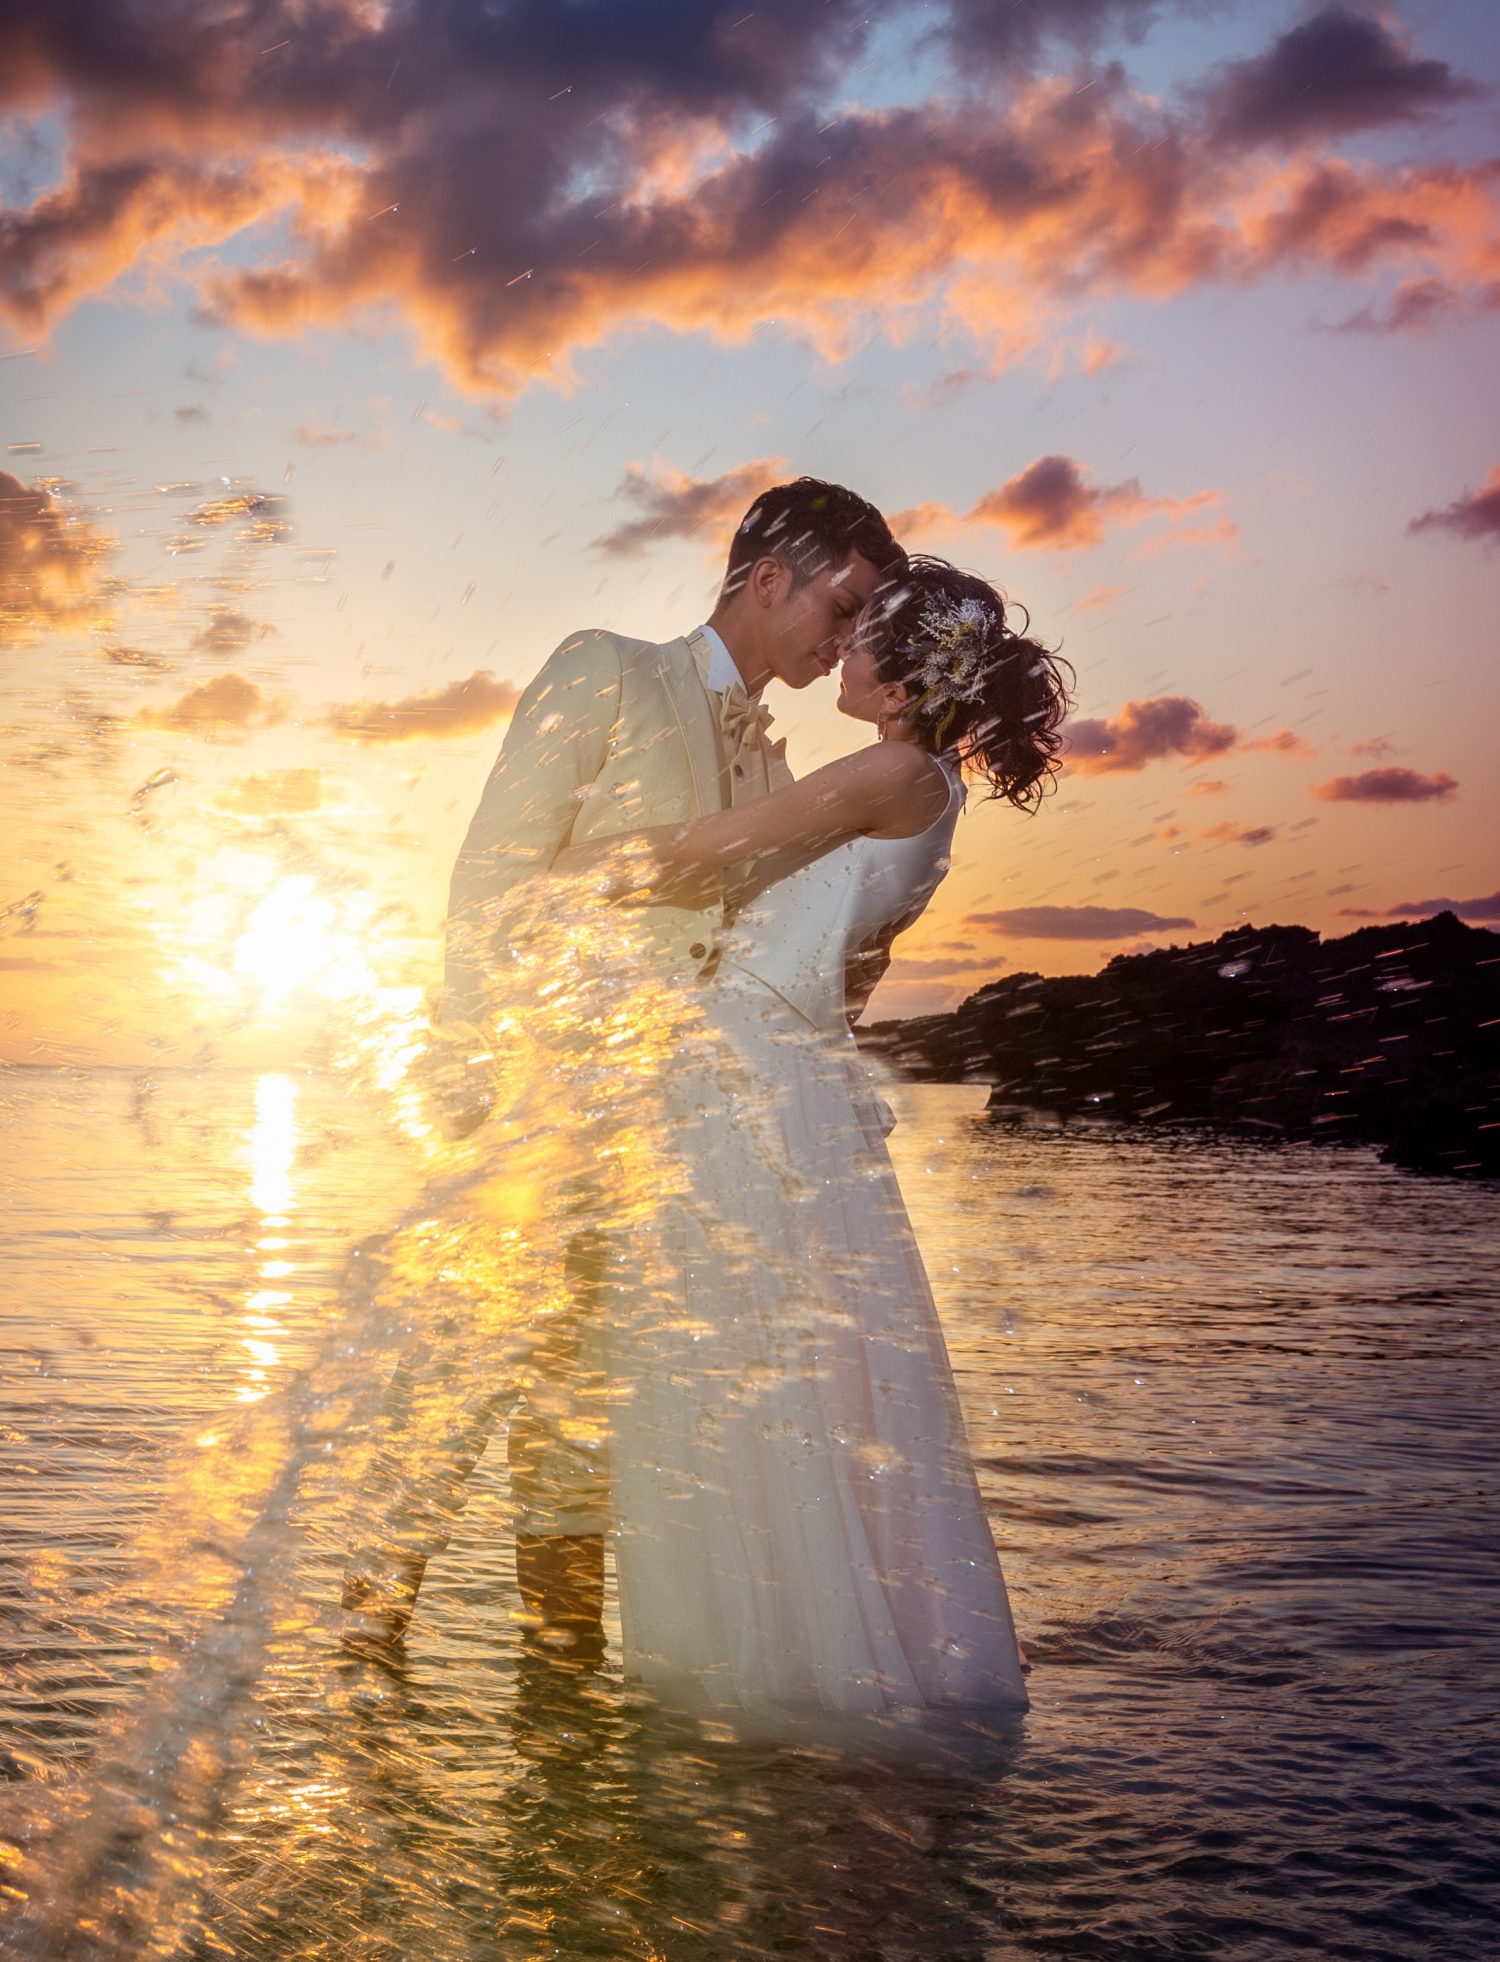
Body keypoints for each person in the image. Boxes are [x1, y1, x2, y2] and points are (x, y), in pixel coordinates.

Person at [340, 478, 906, 1658]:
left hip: (682, 1135)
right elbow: (490, 875)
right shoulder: (606, 668)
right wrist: (481, 1071)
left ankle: (564, 1679)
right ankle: (363, 1654)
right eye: (840, 605)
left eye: (863, 621)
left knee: (590, 1401)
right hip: (545, 1096)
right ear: (768, 578)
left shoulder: (779, 763)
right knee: (460, 1370)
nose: (846, 639)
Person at [560, 557, 1071, 1722]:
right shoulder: (931, 787)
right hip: (785, 1073)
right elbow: (848, 976)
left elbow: (704, 849)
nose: (839, 652)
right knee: (791, 1381)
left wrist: (560, 873)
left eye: (859, 636)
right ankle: (796, 1653)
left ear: (899, 677)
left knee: (732, 1369)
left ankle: (770, 1674)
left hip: (741, 1079)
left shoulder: (890, 767)